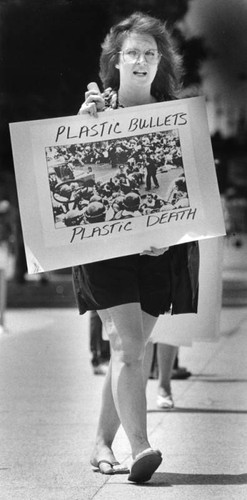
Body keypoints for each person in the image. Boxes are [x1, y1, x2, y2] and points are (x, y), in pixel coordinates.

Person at [72, 12, 199, 483]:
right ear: (116, 61)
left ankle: (101, 443)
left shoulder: (174, 115)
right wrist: (85, 125)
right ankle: (141, 446)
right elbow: (75, 177)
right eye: (133, 53)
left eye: (150, 52)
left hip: (155, 251)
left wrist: (169, 231)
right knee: (128, 347)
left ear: (159, 61)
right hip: (105, 252)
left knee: (134, 347)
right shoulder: (94, 113)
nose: (142, 60)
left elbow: (186, 190)